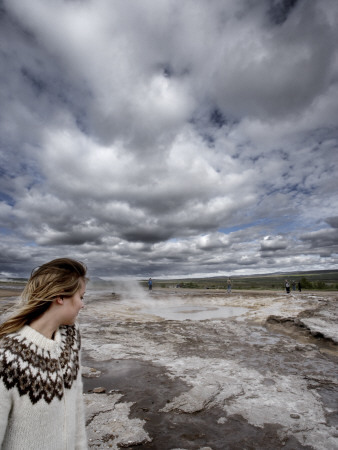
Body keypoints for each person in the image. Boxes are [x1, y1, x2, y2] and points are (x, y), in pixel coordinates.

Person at [0, 258, 88, 449]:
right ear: (60, 297)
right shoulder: (7, 358)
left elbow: (77, 403)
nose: (82, 305)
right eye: (81, 297)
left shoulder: (70, 338)